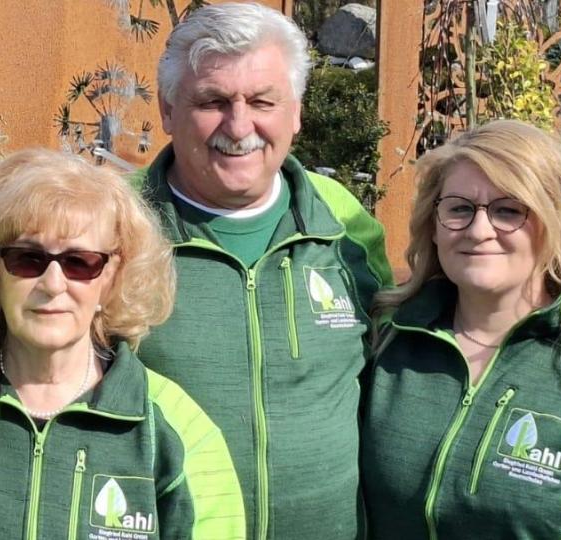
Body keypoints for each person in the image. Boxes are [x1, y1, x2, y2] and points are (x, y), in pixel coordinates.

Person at [134, 3, 392, 538]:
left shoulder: (344, 226)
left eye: (262, 101)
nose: (239, 125)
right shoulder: (110, 230)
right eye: (212, 101)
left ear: (295, 110)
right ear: (166, 107)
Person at [0, 148, 246, 539]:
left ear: (112, 277)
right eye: (28, 259)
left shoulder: (175, 430)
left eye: (80, 263)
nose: (53, 284)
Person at [361, 119, 561, 539]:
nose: (478, 230)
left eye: (508, 210)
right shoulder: (386, 337)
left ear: (556, 222)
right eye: (458, 208)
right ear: (433, 226)